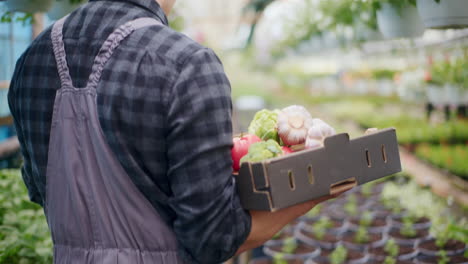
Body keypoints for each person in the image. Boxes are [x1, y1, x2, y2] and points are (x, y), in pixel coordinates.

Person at [8, 0, 349, 263]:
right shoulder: (186, 64)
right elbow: (214, 238)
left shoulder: (30, 61)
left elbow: (42, 189)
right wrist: (315, 192)